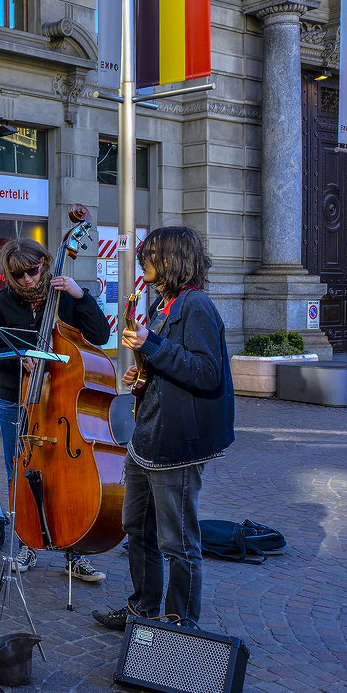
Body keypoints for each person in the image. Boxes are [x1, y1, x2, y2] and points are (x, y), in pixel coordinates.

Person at [93, 226, 234, 630]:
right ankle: (143, 609)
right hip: (147, 438)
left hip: (176, 443)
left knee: (179, 542)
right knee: (137, 528)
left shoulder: (197, 306)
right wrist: (139, 376)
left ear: (172, 258)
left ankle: (180, 624)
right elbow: (168, 366)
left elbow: (207, 372)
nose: (143, 258)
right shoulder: (162, 304)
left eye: (150, 253)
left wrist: (151, 346)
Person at [0, 238, 110, 582]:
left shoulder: (66, 299)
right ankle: (27, 544)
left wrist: (80, 295)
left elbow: (100, 335)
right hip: (17, 400)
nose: (27, 280)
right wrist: (17, 359)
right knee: (19, 473)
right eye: (18, 275)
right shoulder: (1, 303)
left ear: (45, 262)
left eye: (33, 271)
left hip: (63, 402)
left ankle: (75, 551)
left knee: (69, 478)